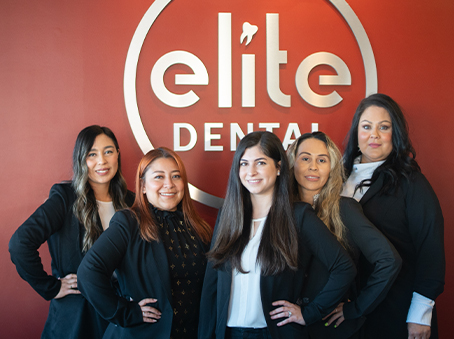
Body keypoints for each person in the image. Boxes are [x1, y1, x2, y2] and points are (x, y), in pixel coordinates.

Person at [198, 131, 356, 339]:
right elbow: (211, 286)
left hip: (274, 334)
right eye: (244, 163)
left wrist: (310, 313)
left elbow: (344, 268)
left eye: (261, 163)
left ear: (279, 167)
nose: (251, 172)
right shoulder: (227, 216)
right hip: (228, 333)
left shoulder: (299, 216)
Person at [9, 125, 135, 339]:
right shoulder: (65, 198)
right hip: (78, 316)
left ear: (117, 155)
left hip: (119, 312)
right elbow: (20, 244)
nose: (102, 161)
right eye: (92, 154)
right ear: (81, 159)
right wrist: (51, 288)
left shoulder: (131, 201)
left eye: (108, 151)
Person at [77, 147, 213, 339]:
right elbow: (88, 273)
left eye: (176, 176)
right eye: (158, 177)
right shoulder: (129, 223)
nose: (169, 184)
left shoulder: (200, 228)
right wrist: (125, 312)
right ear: (142, 186)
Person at [342, 93, 445, 339]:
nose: (374, 135)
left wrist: (420, 314)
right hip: (351, 311)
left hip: (399, 309)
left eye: (384, 127)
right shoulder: (338, 178)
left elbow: (430, 250)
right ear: (357, 132)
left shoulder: (411, 182)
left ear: (395, 134)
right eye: (366, 127)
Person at [287, 131, 401, 339]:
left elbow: (388, 261)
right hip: (288, 330)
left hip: (332, 331)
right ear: (292, 163)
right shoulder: (280, 213)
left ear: (331, 168)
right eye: (305, 158)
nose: (313, 166)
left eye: (322, 160)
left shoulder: (344, 209)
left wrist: (356, 308)